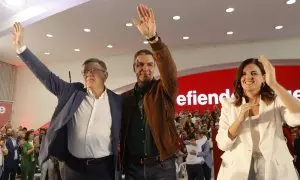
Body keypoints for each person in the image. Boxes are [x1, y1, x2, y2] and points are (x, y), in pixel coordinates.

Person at [11, 22, 122, 180]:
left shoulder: (117, 101)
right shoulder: (71, 93)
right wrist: (21, 49)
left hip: (104, 169)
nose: (89, 73)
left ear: (105, 74)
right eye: (85, 70)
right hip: (73, 168)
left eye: (94, 69)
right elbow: (47, 76)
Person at [120, 4, 181, 180]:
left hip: (162, 166)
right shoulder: (125, 99)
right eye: (140, 64)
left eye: (149, 64)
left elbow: (169, 70)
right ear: (134, 68)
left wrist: (153, 38)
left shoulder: (164, 91)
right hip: (133, 168)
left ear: (155, 67)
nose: (144, 68)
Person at [216, 57, 300, 180]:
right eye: (244, 74)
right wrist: (239, 120)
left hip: (273, 167)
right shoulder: (229, 104)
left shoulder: (275, 101)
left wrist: (274, 84)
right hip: (238, 168)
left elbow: (297, 117)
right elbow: (222, 144)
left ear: (264, 79)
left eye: (254, 73)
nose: (248, 77)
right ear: (240, 80)